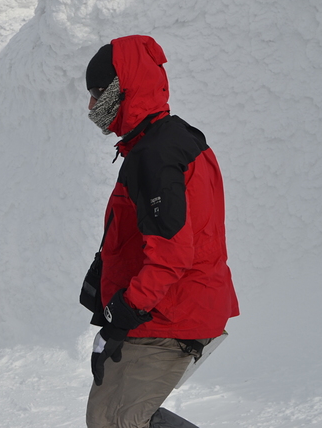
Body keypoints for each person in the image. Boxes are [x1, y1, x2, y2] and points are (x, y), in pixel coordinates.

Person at [82, 35, 239, 428]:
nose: (90, 107)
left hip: (170, 316)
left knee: (118, 421)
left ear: (123, 89)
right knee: (107, 416)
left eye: (98, 93)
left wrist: (122, 314)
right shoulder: (163, 142)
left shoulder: (156, 155)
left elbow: (171, 254)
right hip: (161, 312)